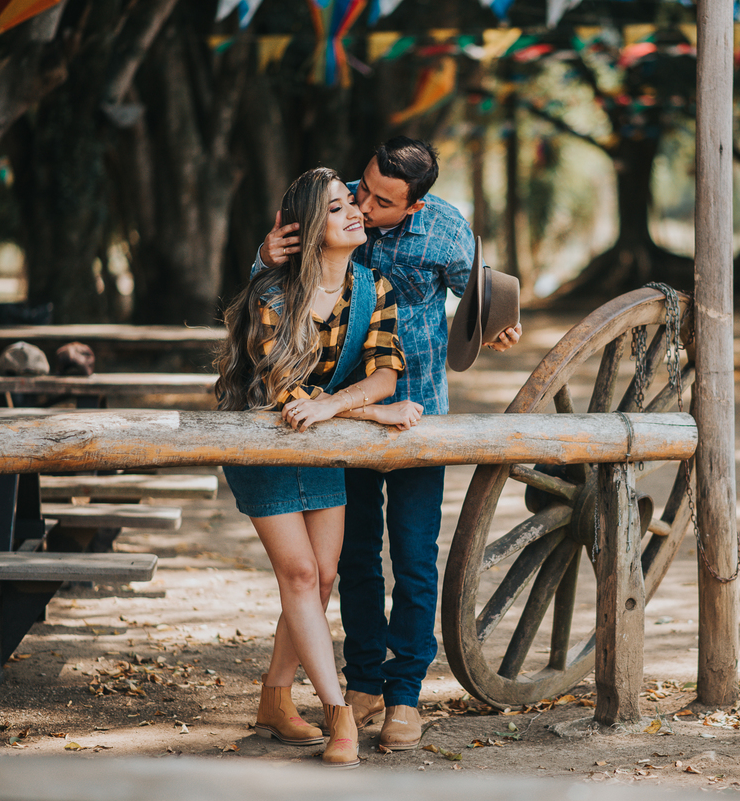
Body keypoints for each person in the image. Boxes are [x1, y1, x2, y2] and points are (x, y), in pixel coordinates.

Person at [254, 137, 521, 751]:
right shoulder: (335, 204)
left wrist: (498, 323)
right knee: (351, 560)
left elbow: (478, 299)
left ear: (417, 206)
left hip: (412, 415)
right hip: (339, 411)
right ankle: (364, 683)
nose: (365, 205)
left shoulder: (447, 230)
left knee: (413, 556)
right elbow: (270, 287)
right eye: (364, 188)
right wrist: (262, 253)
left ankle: (404, 697)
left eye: (383, 201)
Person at [216, 167, 423, 768]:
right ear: (307, 231)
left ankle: (275, 700)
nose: (355, 212)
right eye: (336, 209)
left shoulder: (372, 288)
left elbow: (384, 373)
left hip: (321, 435)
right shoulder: (273, 295)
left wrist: (342, 405)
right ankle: (338, 715)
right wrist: (375, 415)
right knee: (302, 576)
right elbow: (284, 392)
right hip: (259, 441)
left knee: (324, 577)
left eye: (349, 203)